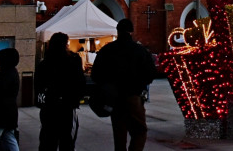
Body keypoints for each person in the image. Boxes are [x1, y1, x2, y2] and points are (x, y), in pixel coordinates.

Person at [91, 18, 157, 151]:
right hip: (133, 97)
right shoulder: (140, 50)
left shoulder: (107, 49)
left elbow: (95, 74)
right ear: (131, 32)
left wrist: (107, 86)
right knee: (139, 131)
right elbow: (151, 73)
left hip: (114, 98)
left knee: (119, 133)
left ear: (118, 31)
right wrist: (140, 85)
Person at [36, 32, 86, 151]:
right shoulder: (73, 60)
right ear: (66, 44)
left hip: (50, 105)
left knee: (48, 140)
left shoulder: (44, 63)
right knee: (67, 140)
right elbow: (80, 82)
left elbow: (39, 84)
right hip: (67, 106)